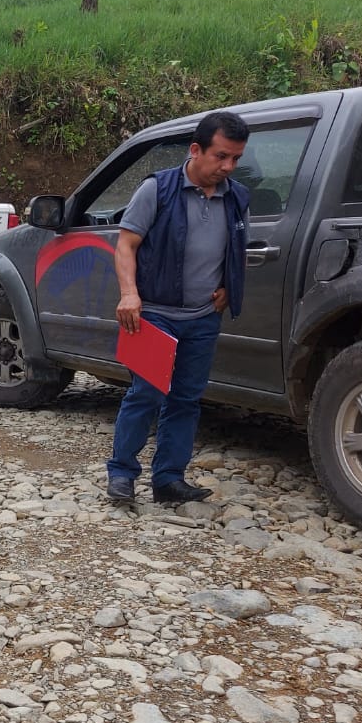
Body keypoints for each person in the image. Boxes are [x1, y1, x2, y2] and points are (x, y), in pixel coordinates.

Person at [107, 110, 251, 504]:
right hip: (154, 314)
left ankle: (169, 480)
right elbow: (126, 245)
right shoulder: (157, 189)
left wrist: (228, 286)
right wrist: (129, 294)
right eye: (221, 156)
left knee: (186, 400)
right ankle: (121, 474)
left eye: (236, 158)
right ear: (195, 150)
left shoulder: (237, 197)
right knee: (145, 395)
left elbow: (236, 248)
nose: (228, 166)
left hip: (203, 318)